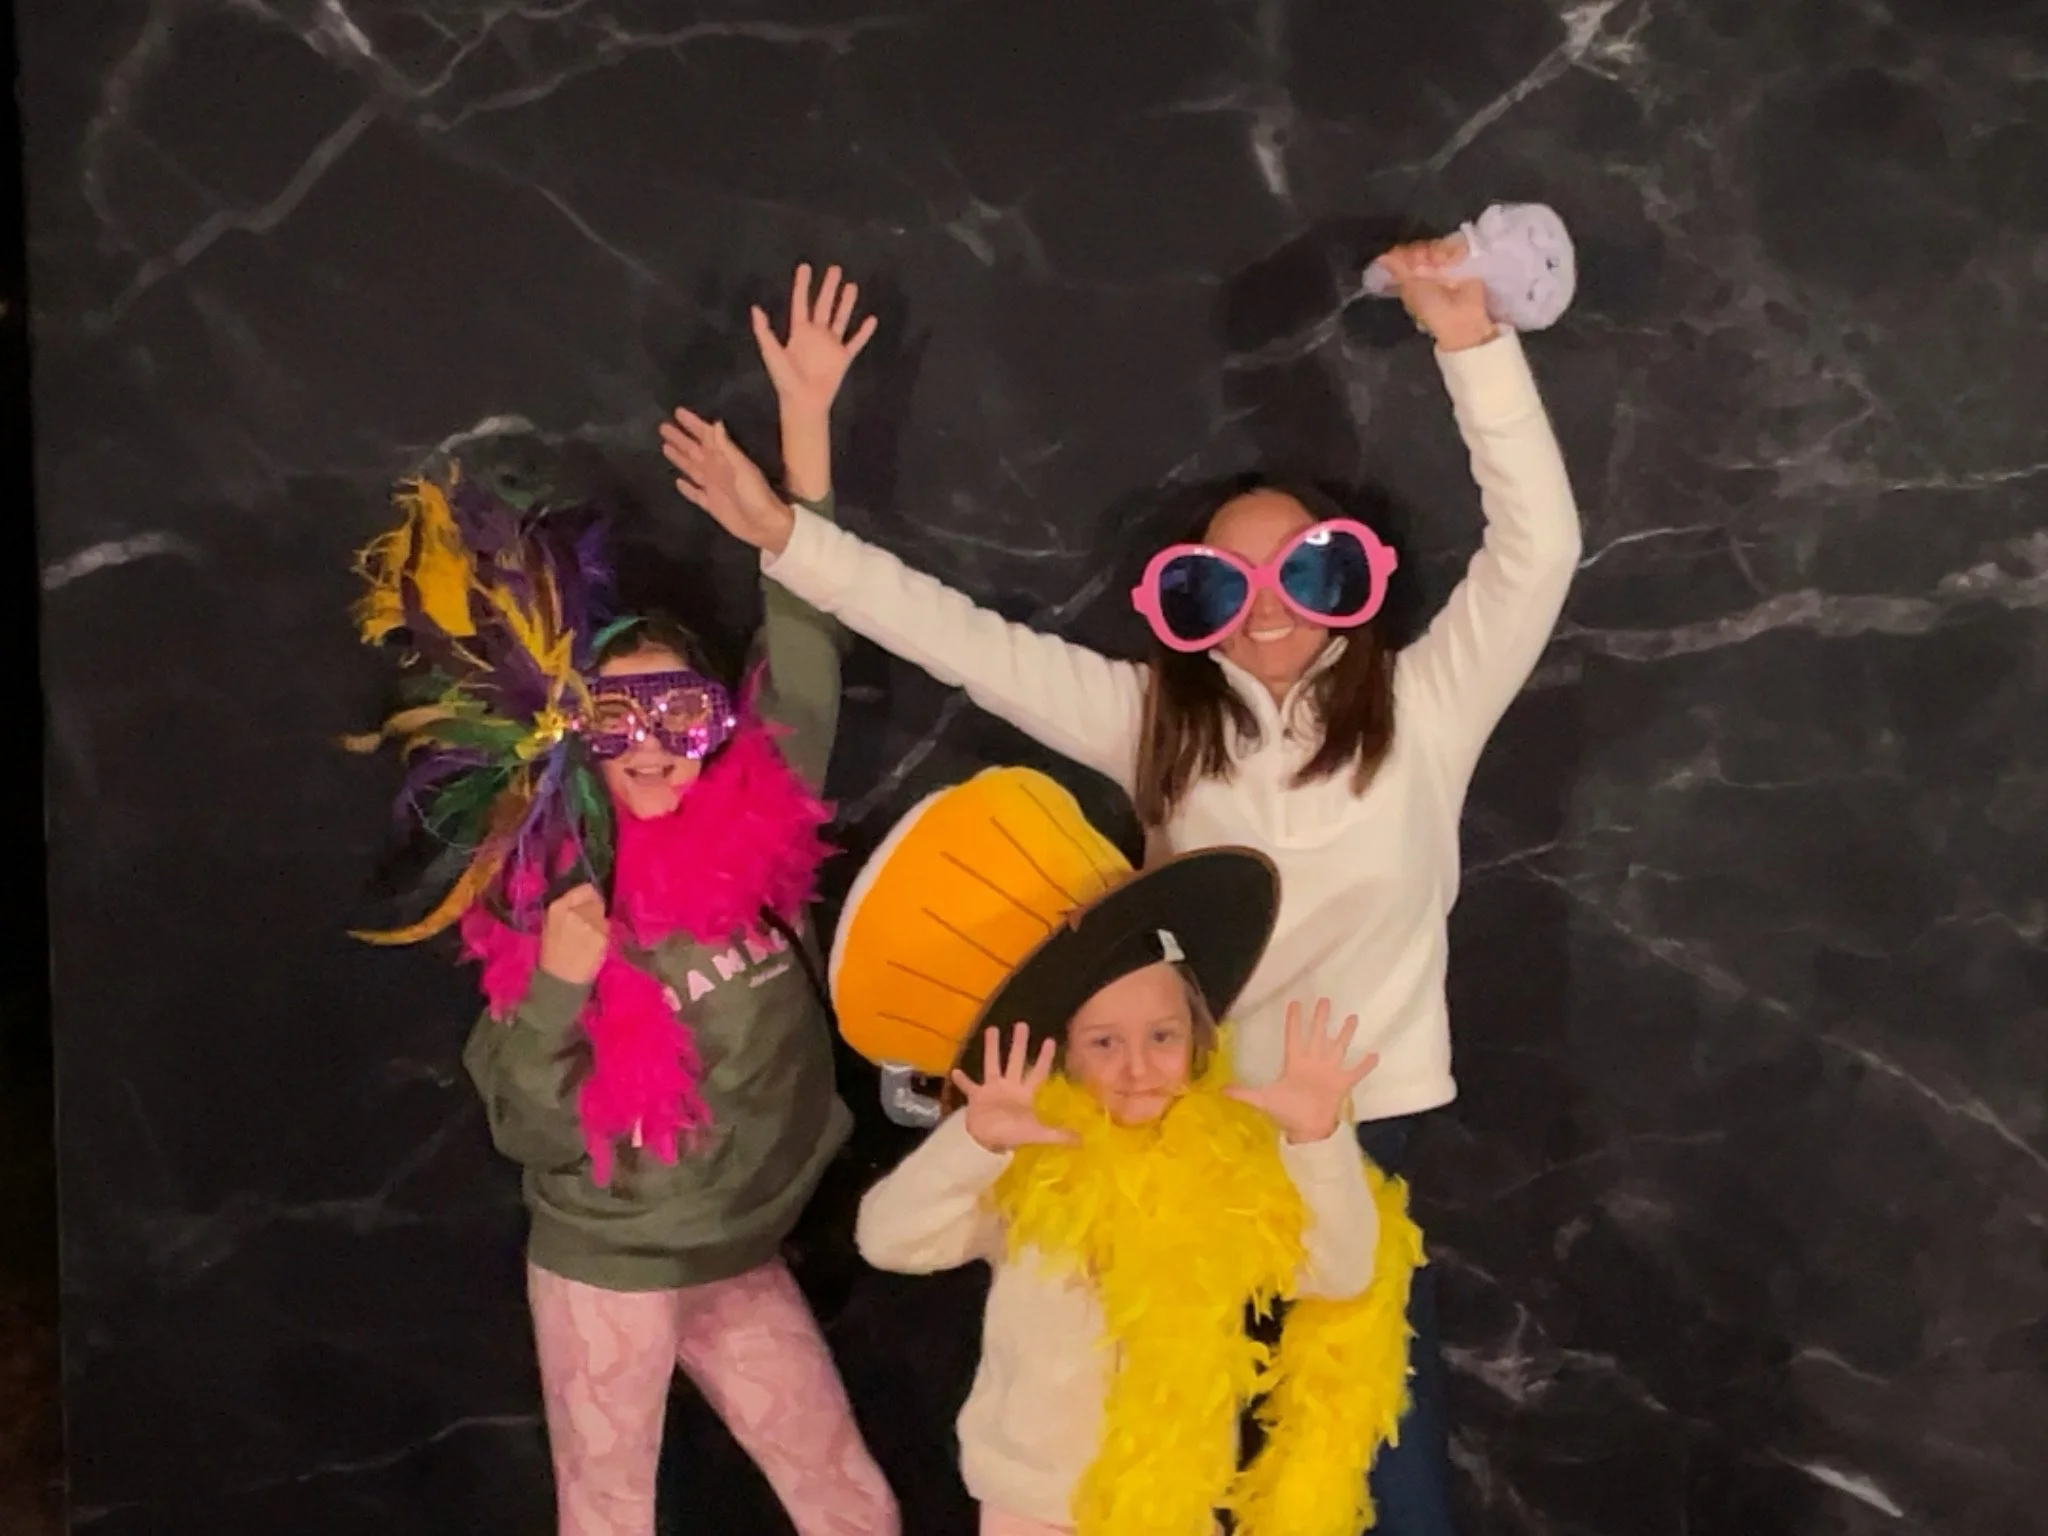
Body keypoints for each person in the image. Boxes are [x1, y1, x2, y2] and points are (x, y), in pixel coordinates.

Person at [658, 238, 1583, 1532]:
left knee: (1367, 1457)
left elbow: (1538, 554)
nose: (1268, 611)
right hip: (1170, 1117)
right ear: (1185, 611)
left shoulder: (1428, 708)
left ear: (1356, 590)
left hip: (1358, 1129)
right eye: (1219, 587)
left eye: (1308, 571)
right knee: (1150, 1443)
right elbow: (966, 644)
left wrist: (1469, 344)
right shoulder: (1157, 722)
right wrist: (786, 541)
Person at [349, 265, 897, 1536]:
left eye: (681, 714)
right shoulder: (546, 886)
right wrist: (558, 979)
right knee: (608, 1519)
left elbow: (809, 632)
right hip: (607, 1266)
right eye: (617, 717)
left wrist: (805, 422)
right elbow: (528, 1127)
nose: (651, 745)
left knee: (849, 1503)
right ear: (575, 739)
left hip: (739, 1247)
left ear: (719, 732)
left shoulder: (761, 819)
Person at [823, 766, 1422, 1536]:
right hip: (1032, 1510)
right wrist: (973, 1142)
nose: (1139, 1068)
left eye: (1163, 1037)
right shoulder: (1031, 1166)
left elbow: (1339, 1270)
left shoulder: (1229, 1172)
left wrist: (1317, 1139)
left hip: (1174, 1509)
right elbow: (888, 1239)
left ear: (1198, 1041)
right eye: (1104, 1043)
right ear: (1064, 1054)